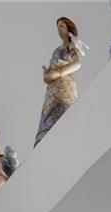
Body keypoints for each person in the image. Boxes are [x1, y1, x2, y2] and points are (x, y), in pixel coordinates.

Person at [35, 17, 84, 146]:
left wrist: (59, 73)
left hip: (64, 85)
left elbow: (77, 63)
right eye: (58, 27)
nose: (59, 29)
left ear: (69, 28)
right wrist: (47, 73)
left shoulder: (70, 46)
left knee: (63, 111)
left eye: (61, 26)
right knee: (49, 115)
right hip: (53, 89)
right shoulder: (57, 50)